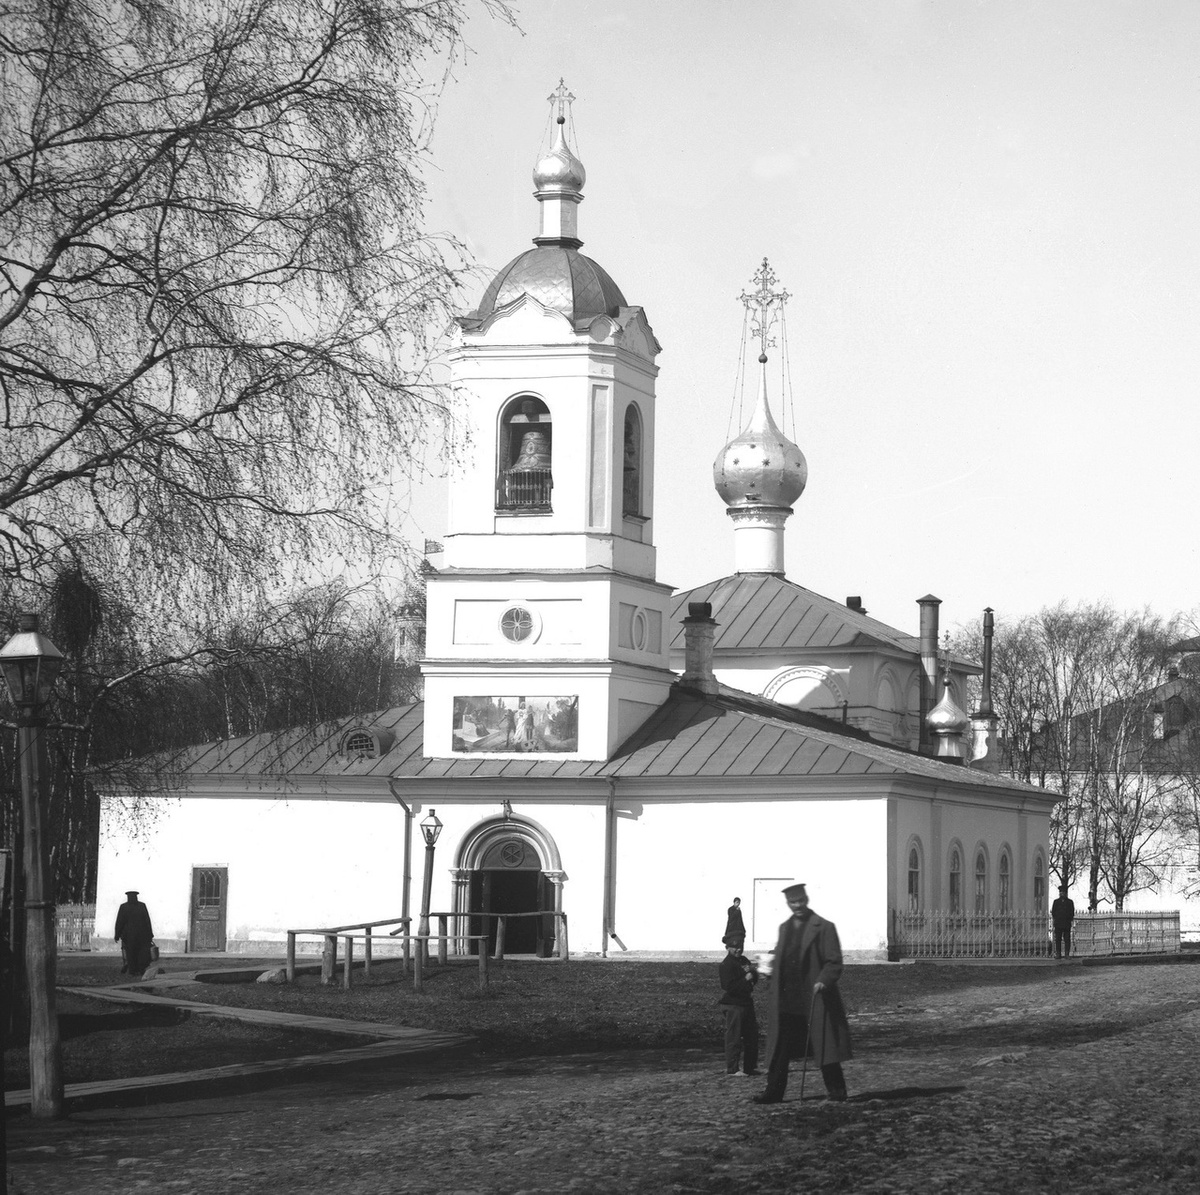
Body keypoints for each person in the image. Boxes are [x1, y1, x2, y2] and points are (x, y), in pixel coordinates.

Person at [754, 882, 852, 1105]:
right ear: (787, 904)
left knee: (823, 1044)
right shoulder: (784, 928)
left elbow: (834, 961)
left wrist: (823, 981)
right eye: (792, 902)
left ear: (806, 900)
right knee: (780, 1048)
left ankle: (837, 1092)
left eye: (800, 900)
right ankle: (773, 1093)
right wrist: (768, 970)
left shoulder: (824, 927)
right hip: (787, 1000)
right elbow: (782, 959)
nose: (797, 905)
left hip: (814, 998)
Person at [718, 935, 759, 1077]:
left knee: (752, 1037)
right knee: (734, 1038)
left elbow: (754, 976)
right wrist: (745, 978)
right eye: (734, 947)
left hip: (746, 1003)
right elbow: (729, 987)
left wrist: (753, 973)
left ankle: (750, 1067)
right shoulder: (726, 965)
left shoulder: (744, 960)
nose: (738, 949)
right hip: (733, 1004)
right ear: (727, 947)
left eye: (740, 946)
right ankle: (733, 1068)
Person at [115, 890, 154, 975]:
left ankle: (133, 970)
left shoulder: (124, 907)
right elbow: (147, 921)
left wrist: (117, 935)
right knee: (141, 953)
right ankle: (140, 969)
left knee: (131, 953)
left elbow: (119, 922)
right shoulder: (141, 906)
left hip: (129, 936)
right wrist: (150, 934)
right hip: (141, 935)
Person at [1051, 883, 1075, 959]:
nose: (1062, 893)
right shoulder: (1056, 902)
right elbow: (1053, 912)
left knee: (1067, 939)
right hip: (1058, 923)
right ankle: (1058, 954)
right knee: (1058, 939)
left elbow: (1072, 912)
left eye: (1063, 892)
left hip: (1066, 923)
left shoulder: (1070, 902)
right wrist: (1056, 919)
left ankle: (1067, 954)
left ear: (1066, 893)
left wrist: (1069, 919)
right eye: (1060, 892)